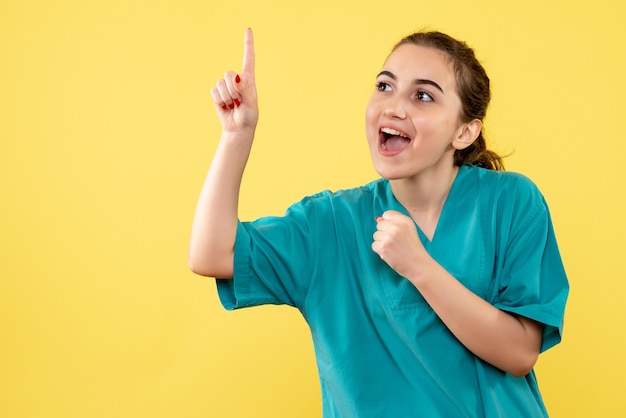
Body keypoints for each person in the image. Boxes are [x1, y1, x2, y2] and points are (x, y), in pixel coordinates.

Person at [189, 28, 569, 417]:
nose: (393, 107)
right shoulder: (331, 224)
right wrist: (237, 135)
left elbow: (521, 352)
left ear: (464, 130)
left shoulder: (511, 202)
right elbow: (212, 254)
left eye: (422, 96)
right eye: (385, 87)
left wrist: (419, 266)